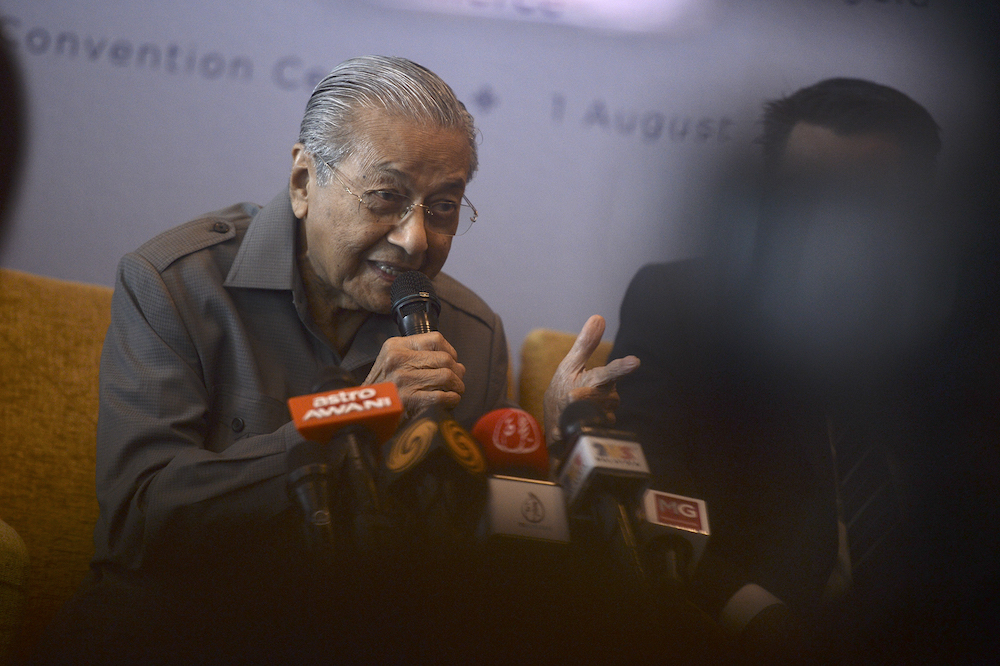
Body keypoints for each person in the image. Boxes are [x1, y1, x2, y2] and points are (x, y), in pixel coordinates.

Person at [34, 55, 636, 664]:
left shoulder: (471, 334)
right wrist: (355, 417)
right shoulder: (174, 285)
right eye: (385, 197)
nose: (415, 239)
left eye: (444, 206)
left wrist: (563, 453)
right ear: (303, 183)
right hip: (178, 631)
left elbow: (485, 563)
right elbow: (138, 522)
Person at [609, 77, 998, 662]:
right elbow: (652, 486)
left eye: (866, 202)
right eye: (804, 195)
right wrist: (754, 613)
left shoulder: (960, 338)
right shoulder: (681, 303)